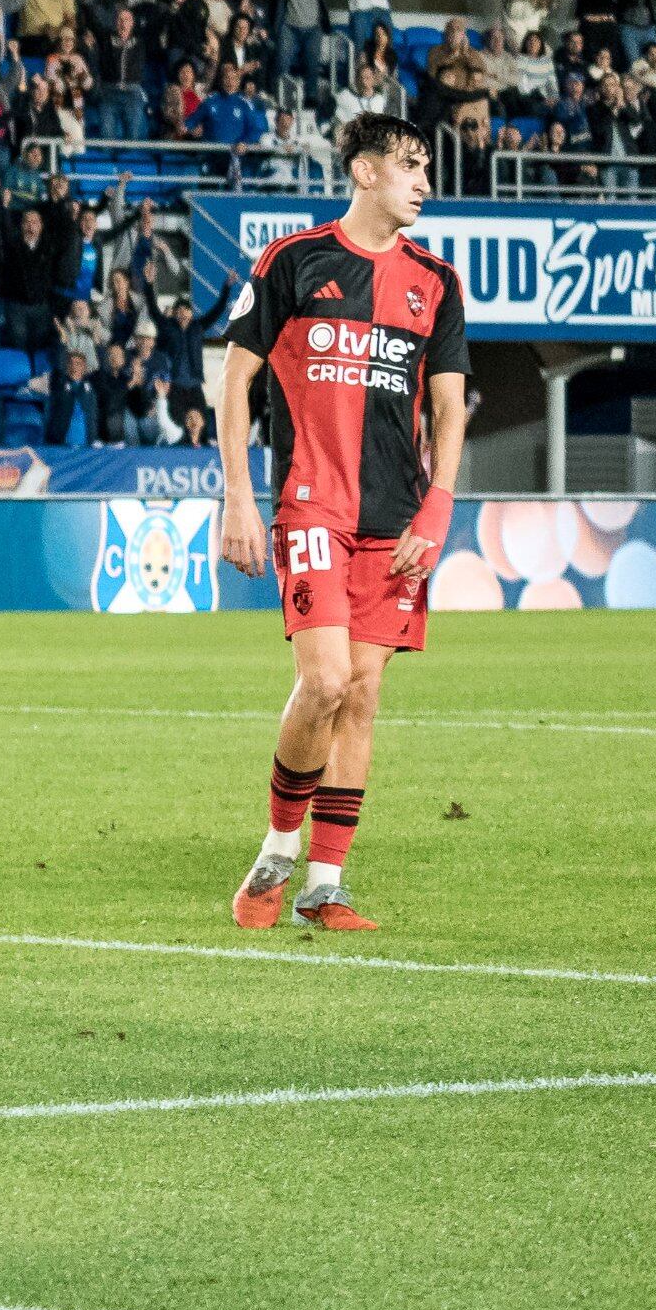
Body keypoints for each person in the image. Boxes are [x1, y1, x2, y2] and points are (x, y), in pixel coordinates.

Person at [215, 112, 470, 932]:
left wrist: (437, 508)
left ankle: (326, 884)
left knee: (361, 695)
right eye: (408, 164)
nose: (423, 182)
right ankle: (278, 850)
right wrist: (238, 496)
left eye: (425, 166)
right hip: (311, 503)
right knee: (322, 679)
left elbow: (450, 408)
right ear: (363, 171)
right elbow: (235, 381)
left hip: (395, 519)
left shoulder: (436, 281)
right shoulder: (294, 261)